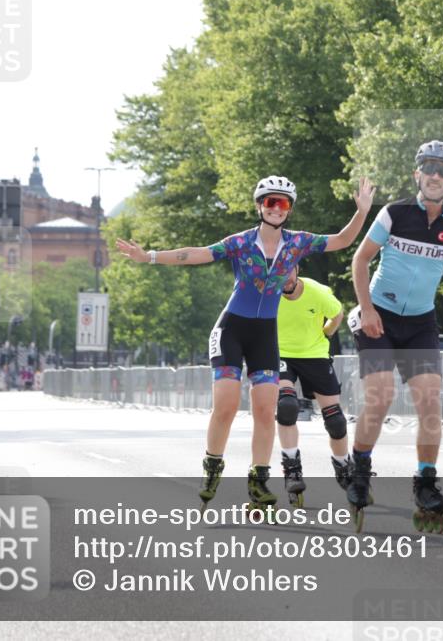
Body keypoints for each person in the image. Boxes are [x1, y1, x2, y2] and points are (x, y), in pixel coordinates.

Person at [117, 175, 374, 513]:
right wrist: (148, 256)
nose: (277, 208)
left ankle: (259, 480)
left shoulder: (297, 243)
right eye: (271, 202)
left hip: (265, 335)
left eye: (283, 203)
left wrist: (362, 212)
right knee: (225, 407)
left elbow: (342, 240)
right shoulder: (241, 242)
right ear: (259, 206)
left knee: (267, 411)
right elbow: (196, 254)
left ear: (289, 209)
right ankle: (211, 468)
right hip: (232, 330)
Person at [347, 140, 443, 534]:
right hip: (378, 315)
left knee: (430, 401)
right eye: (428, 168)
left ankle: (425, 484)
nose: (434, 176)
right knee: (380, 398)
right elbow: (360, 260)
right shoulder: (393, 214)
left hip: (420, 323)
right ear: (417, 174)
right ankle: (359, 468)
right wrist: (367, 309)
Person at [274, 263, 350, 507]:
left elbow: (338, 313)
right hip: (280, 354)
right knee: (287, 406)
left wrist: (326, 333)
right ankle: (292, 468)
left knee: (336, 420)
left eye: (288, 271)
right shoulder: (266, 293)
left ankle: (342, 464)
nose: (284, 278)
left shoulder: (316, 292)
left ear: (296, 270)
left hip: (314, 354)